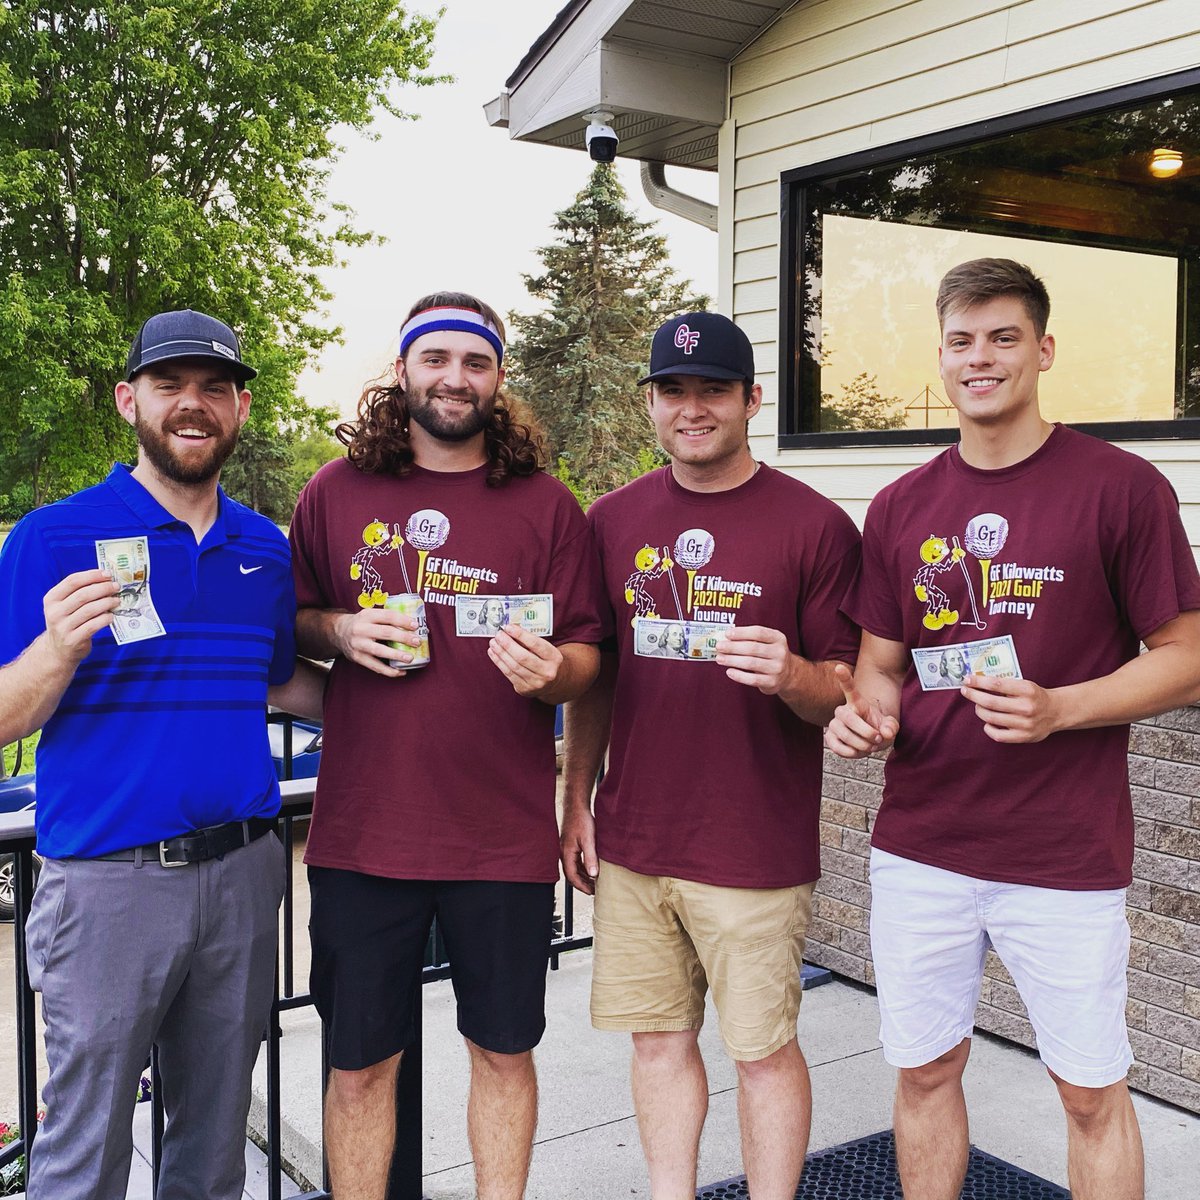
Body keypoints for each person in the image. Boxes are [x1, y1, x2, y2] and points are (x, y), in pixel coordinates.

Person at [826, 258, 1200, 1200]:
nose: (980, 358)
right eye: (961, 340)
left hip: (1064, 854)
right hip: (922, 846)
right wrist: (866, 718)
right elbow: (882, 663)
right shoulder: (903, 506)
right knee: (922, 1072)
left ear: (1043, 348)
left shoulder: (1121, 489)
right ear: (942, 356)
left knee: (1087, 1094)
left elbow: (1187, 651)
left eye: (1002, 337)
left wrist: (1062, 706)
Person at [0, 309, 326, 1200]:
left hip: (245, 878)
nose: (193, 404)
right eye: (170, 384)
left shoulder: (264, 548)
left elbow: (278, 681)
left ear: (241, 408)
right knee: (83, 1152)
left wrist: (424, 695)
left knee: (213, 1145)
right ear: (127, 399)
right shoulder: (51, 539)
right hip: (106, 886)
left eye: (214, 387)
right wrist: (56, 650)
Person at [288, 291, 605, 1200]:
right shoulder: (335, 491)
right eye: (436, 359)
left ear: (499, 380)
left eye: (475, 362)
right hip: (361, 835)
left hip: (499, 839)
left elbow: (590, 656)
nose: (454, 378)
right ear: (403, 371)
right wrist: (343, 632)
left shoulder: (546, 506)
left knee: (503, 1055)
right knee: (357, 1066)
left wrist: (554, 675)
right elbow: (298, 620)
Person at [562, 311, 862, 1200]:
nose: (694, 409)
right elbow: (598, 675)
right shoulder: (611, 520)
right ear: (652, 403)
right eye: (675, 391)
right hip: (636, 836)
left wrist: (792, 673)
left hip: (752, 843)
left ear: (751, 401)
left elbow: (843, 688)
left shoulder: (813, 525)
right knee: (657, 1039)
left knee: (763, 1050)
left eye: (714, 391)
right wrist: (577, 798)